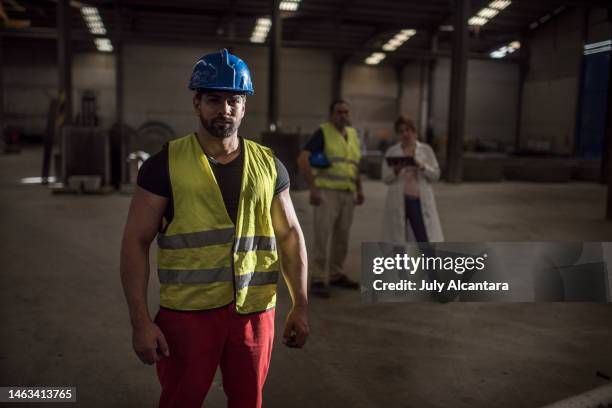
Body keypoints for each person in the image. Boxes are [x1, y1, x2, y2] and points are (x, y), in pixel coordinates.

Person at [120, 49, 309, 408]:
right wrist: (140, 320)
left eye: (234, 100)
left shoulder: (269, 165)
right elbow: (135, 241)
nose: (224, 109)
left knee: (248, 401)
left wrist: (300, 304)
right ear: (196, 103)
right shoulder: (164, 166)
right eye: (213, 99)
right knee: (181, 400)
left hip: (254, 313)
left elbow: (290, 235)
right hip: (187, 315)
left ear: (244, 105)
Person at [297, 99, 364, 298]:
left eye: (346, 112)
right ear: (331, 114)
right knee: (322, 236)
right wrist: (313, 188)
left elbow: (354, 164)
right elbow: (303, 159)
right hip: (327, 193)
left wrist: (359, 189)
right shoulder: (323, 132)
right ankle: (318, 278)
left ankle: (336, 273)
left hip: (348, 192)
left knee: (342, 237)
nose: (343, 115)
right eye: (339, 112)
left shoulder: (352, 134)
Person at [381, 116, 443, 243]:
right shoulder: (392, 152)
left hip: (418, 201)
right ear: (398, 134)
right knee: (398, 239)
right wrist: (396, 170)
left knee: (423, 238)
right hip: (398, 200)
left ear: (414, 131)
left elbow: (436, 175)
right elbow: (385, 179)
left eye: (408, 130)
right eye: (401, 131)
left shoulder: (426, 150)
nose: (405, 134)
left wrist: (422, 166)